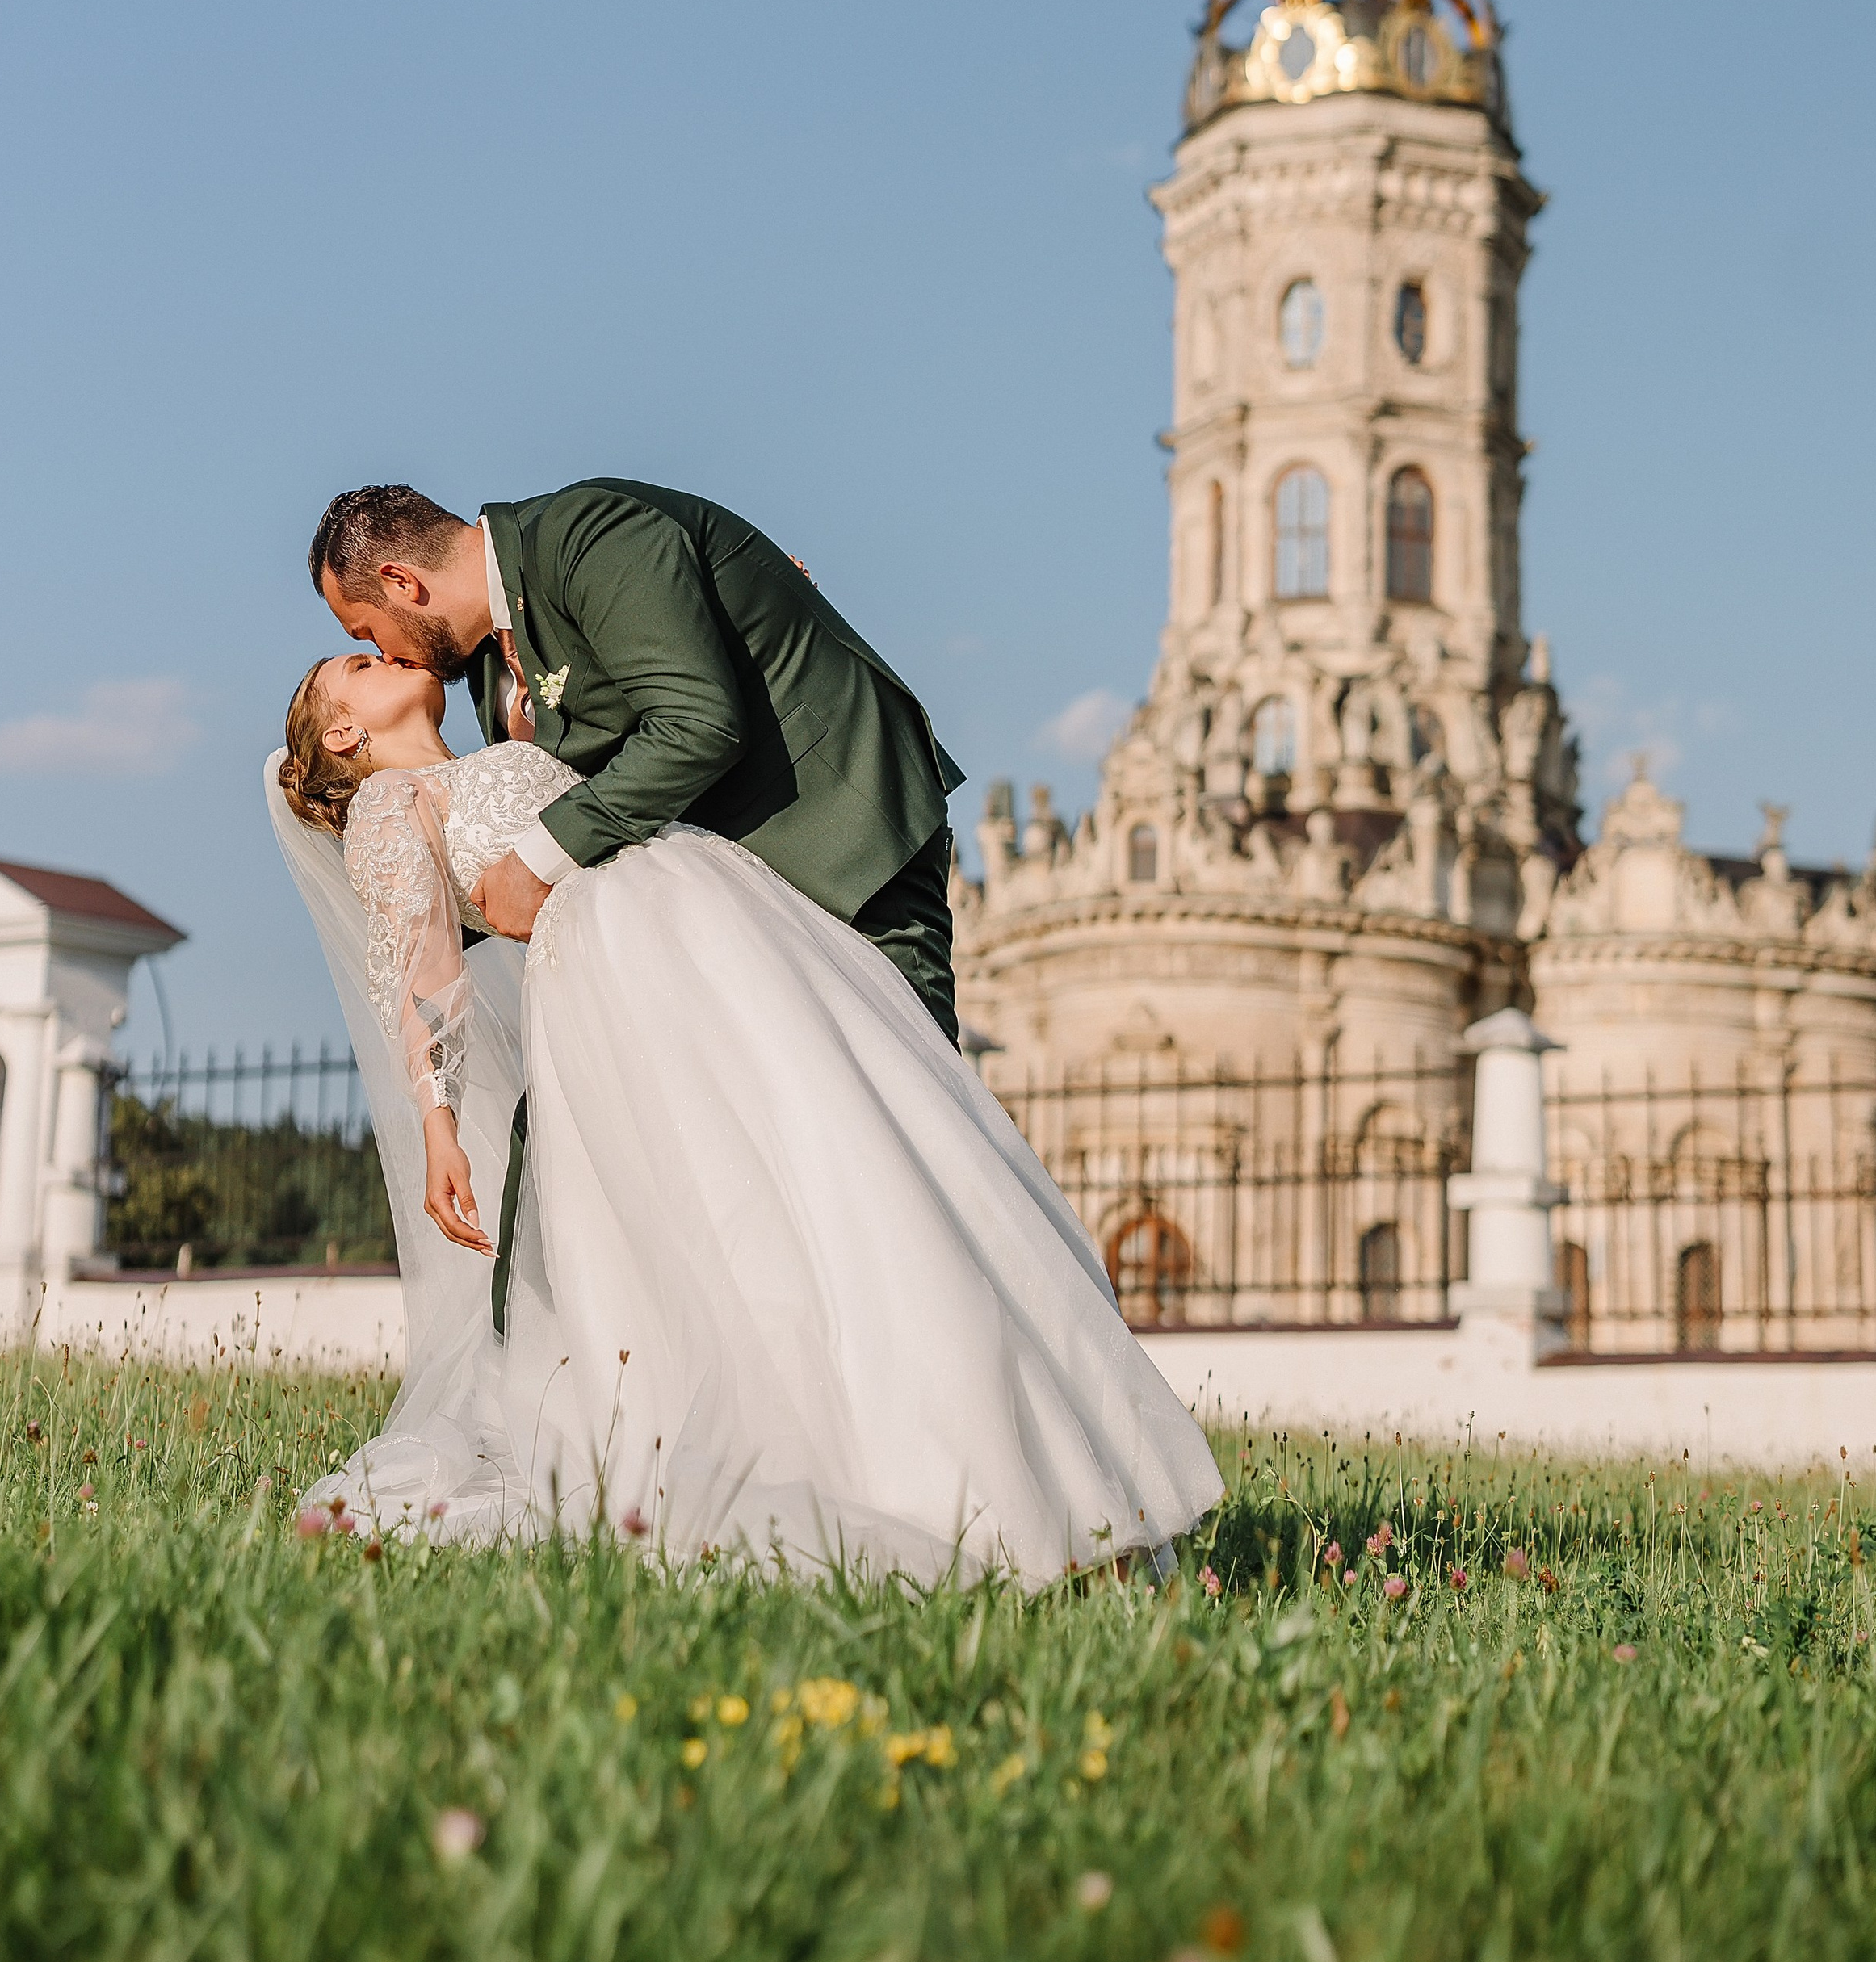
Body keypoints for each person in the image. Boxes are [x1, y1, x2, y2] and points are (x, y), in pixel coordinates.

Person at [271, 647, 1223, 1585]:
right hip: (623, 974)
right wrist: (438, 1124)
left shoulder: (498, 746)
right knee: (745, 1206)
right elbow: (423, 969)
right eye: (354, 667)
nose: (380, 652)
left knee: (833, 1166)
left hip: (708, 920)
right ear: (346, 735)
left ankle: (967, 1470)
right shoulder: (392, 806)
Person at [308, 480, 963, 1042]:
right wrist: (399, 873)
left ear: (402, 582)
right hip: (721, 924)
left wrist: (535, 859)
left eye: (367, 632)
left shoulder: (586, 535)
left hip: (838, 850)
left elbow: (697, 725)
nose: (386, 653)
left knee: (906, 1112)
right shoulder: (486, 664)